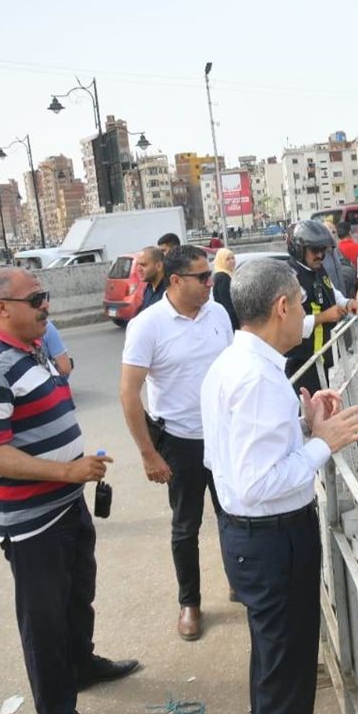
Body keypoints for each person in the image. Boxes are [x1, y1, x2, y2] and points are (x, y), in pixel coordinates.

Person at [201, 258, 358, 714]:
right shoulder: (255, 377)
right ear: (281, 307)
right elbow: (259, 482)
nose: (305, 312)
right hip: (272, 540)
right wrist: (323, 443)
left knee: (275, 668)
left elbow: (242, 454)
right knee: (285, 675)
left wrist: (304, 425)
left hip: (255, 536)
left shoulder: (236, 363)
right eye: (300, 303)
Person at [0, 268, 138, 714]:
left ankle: (81, 665)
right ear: (2, 308)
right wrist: (67, 471)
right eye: (36, 299)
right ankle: (55, 709)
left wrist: (72, 469)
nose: (46, 307)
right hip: (29, 518)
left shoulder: (31, 348)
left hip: (65, 504)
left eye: (46, 296)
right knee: (44, 617)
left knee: (78, 595)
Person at [120, 246, 233, 642]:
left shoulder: (218, 313)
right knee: (186, 526)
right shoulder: (147, 326)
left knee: (234, 514)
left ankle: (240, 582)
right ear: (175, 280)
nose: (210, 283)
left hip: (224, 437)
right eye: (202, 277)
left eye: (209, 275)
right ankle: (190, 603)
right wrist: (148, 454)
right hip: (180, 442)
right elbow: (129, 394)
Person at [285, 220, 357, 394]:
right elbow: (290, 325)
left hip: (323, 358)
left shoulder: (318, 269)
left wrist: (347, 303)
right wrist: (324, 317)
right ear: (299, 250)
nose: (320, 256)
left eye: (323, 251)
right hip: (303, 363)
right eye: (314, 251)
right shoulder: (290, 278)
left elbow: (331, 291)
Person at [211, 247, 239, 329]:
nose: (232, 261)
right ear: (221, 261)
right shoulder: (222, 277)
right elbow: (227, 303)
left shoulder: (228, 274)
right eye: (227, 259)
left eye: (233, 258)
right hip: (230, 320)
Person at [138, 246, 168, 313]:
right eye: (138, 265)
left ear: (159, 266)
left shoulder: (170, 291)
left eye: (143, 265)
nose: (139, 269)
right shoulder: (148, 289)